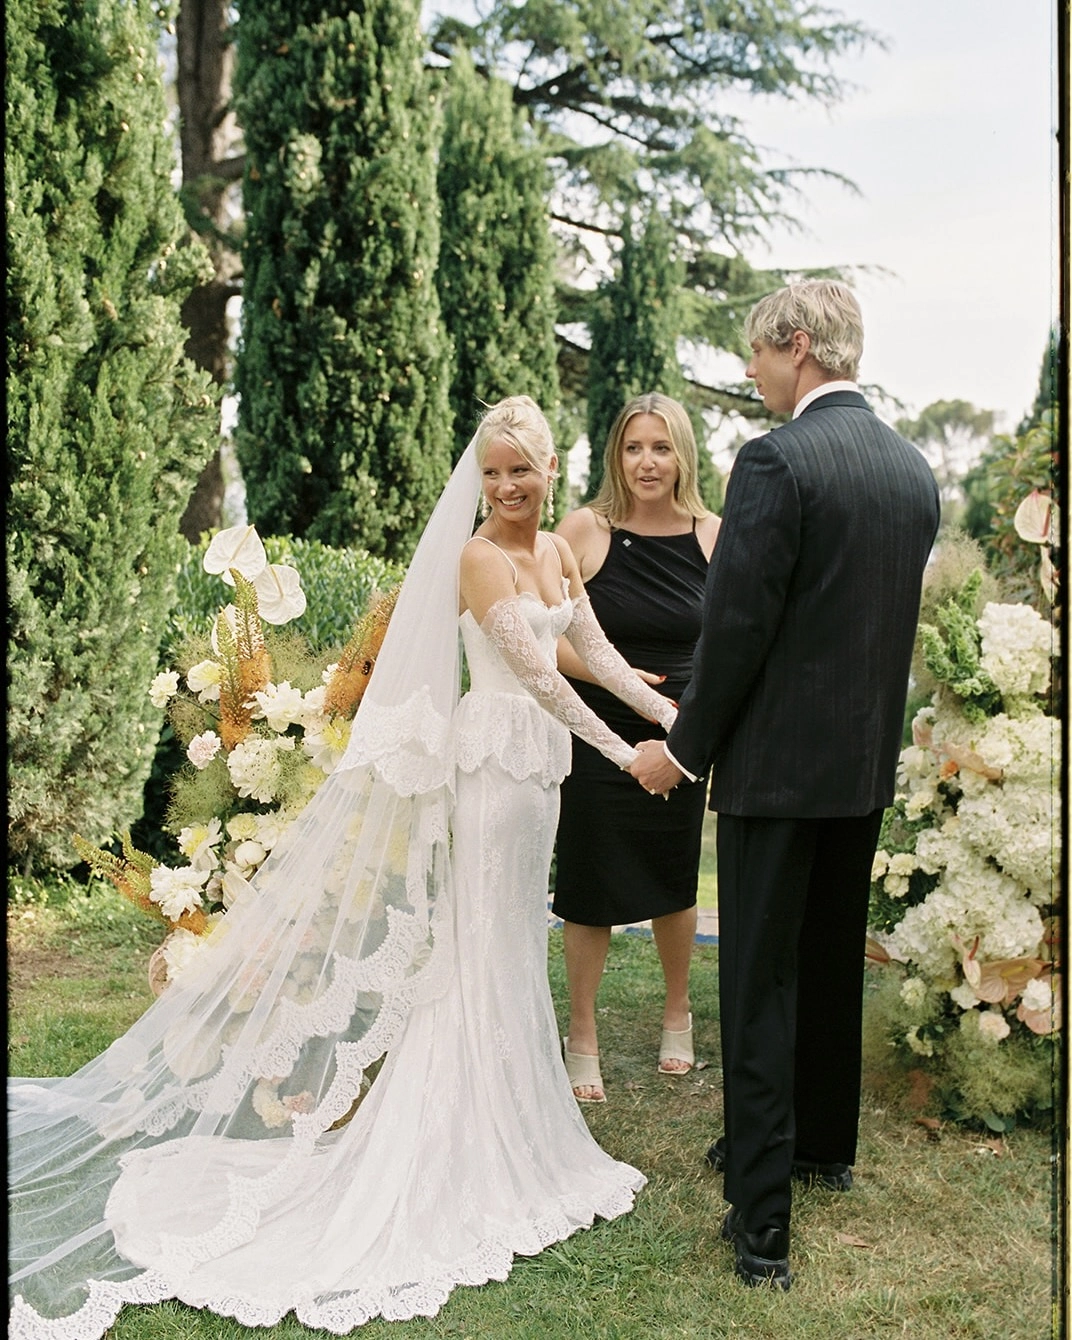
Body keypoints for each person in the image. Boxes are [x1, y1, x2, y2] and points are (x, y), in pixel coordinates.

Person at [9, 396, 680, 1338]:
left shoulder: (563, 551)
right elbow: (535, 676)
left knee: (512, 946)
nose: (505, 487)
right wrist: (625, 754)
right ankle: (457, 1131)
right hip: (491, 773)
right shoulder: (479, 558)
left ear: (549, 471)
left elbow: (593, 650)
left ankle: (510, 1118)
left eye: (519, 470)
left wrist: (670, 720)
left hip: (541, 779)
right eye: (491, 472)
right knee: (480, 947)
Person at [630, 281, 940, 1291]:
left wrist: (682, 750)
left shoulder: (775, 461)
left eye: (757, 355)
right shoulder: (910, 469)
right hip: (859, 769)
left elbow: (738, 630)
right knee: (827, 963)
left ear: (796, 345)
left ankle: (761, 1223)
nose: (752, 372)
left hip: (775, 773)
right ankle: (819, 1146)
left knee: (760, 983)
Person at [552, 393, 721, 1103]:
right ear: (615, 455)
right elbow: (540, 639)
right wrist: (615, 677)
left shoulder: (715, 536)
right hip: (595, 731)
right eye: (633, 447)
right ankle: (582, 1031)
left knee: (673, 876)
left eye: (661, 447)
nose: (647, 462)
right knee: (588, 881)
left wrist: (691, 727)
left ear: (683, 455)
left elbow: (730, 641)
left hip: (680, 732)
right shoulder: (583, 531)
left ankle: (677, 1013)